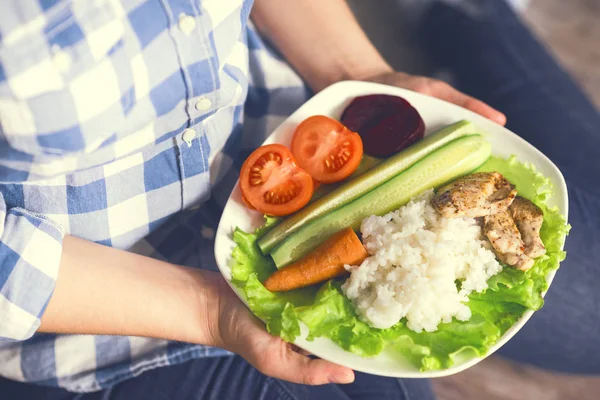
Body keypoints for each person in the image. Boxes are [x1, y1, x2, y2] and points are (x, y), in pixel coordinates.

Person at [0, 0, 598, 399]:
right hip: (107, 300)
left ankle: (466, 15)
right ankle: (470, 20)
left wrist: (361, 70)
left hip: (293, 136)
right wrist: (212, 314)